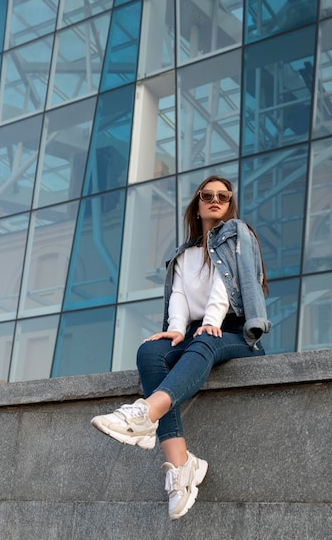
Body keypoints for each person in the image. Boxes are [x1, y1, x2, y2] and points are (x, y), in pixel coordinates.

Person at [91, 175, 271, 520]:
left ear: (230, 202)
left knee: (204, 338)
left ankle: (145, 413)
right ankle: (181, 466)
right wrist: (174, 330)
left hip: (237, 334)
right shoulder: (184, 255)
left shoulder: (236, 236)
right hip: (198, 332)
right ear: (198, 203)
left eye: (223, 196)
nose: (215, 200)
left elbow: (223, 287)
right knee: (150, 352)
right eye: (208, 195)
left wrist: (213, 323)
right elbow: (179, 296)